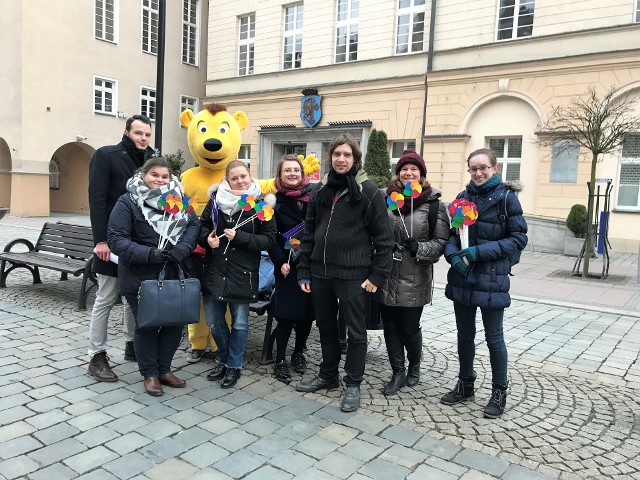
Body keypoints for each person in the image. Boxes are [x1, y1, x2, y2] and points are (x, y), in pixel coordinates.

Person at [296, 133, 394, 412]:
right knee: (326, 327)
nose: (341, 159)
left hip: (353, 274)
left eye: (347, 155)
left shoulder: (370, 192)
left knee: (355, 331)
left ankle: (353, 383)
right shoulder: (320, 190)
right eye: (337, 154)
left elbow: (384, 239)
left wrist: (377, 276)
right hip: (320, 273)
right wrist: (304, 270)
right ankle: (328, 376)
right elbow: (308, 233)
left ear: (355, 159)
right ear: (331, 158)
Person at [440, 148, 527, 418]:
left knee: (494, 338)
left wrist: (480, 252)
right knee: (464, 336)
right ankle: (466, 383)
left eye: (483, 168)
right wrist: (453, 256)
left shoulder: (506, 199)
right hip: (463, 276)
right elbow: (453, 235)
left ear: (495, 169)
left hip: (491, 278)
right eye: (473, 169)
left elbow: (518, 238)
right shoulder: (462, 198)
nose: (478, 173)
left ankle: (499, 391)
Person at [107, 157, 200, 396]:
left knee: (174, 323)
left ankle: (164, 369)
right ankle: (150, 373)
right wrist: (150, 254)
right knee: (148, 324)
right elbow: (117, 239)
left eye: (164, 176)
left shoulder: (178, 200)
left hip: (173, 272)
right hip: (141, 276)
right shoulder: (128, 201)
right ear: (143, 175)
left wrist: (182, 249)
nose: (160, 180)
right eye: (154, 175)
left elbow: (193, 225)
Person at [376, 150, 451, 395]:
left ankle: (414, 366)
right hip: (387, 272)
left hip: (415, 275)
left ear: (422, 174)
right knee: (390, 326)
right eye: (404, 169)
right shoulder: (385, 199)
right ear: (398, 173)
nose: (408, 173)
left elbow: (441, 242)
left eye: (414, 169)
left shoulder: (434, 205)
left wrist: (420, 247)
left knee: (409, 327)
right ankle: (397, 371)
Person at [87, 114, 154, 382]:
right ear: (127, 133)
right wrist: (100, 241)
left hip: (138, 243)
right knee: (106, 296)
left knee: (133, 296)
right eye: (138, 133)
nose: (143, 138)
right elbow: (97, 200)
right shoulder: (107, 155)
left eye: (147, 134)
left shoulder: (150, 161)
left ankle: (132, 344)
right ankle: (97, 355)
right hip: (111, 241)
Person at [200, 160, 277, 388]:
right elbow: (202, 226)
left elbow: (270, 239)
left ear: (250, 176)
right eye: (234, 178)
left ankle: (234, 366)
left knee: (240, 324)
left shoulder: (261, 204)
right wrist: (207, 238)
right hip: (215, 271)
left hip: (243, 274)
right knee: (214, 322)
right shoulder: (215, 201)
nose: (240, 181)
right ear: (227, 179)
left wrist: (241, 237)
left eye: (243, 176)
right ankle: (223, 359)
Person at [267, 154, 315, 384]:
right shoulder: (274, 202)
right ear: (280, 174)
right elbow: (271, 238)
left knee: (307, 316)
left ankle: (298, 352)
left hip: (313, 266)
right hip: (288, 267)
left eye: (296, 170)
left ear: (302, 173)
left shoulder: (314, 197)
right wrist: (280, 262)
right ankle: (279, 360)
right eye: (287, 170)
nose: (292, 174)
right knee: (286, 316)